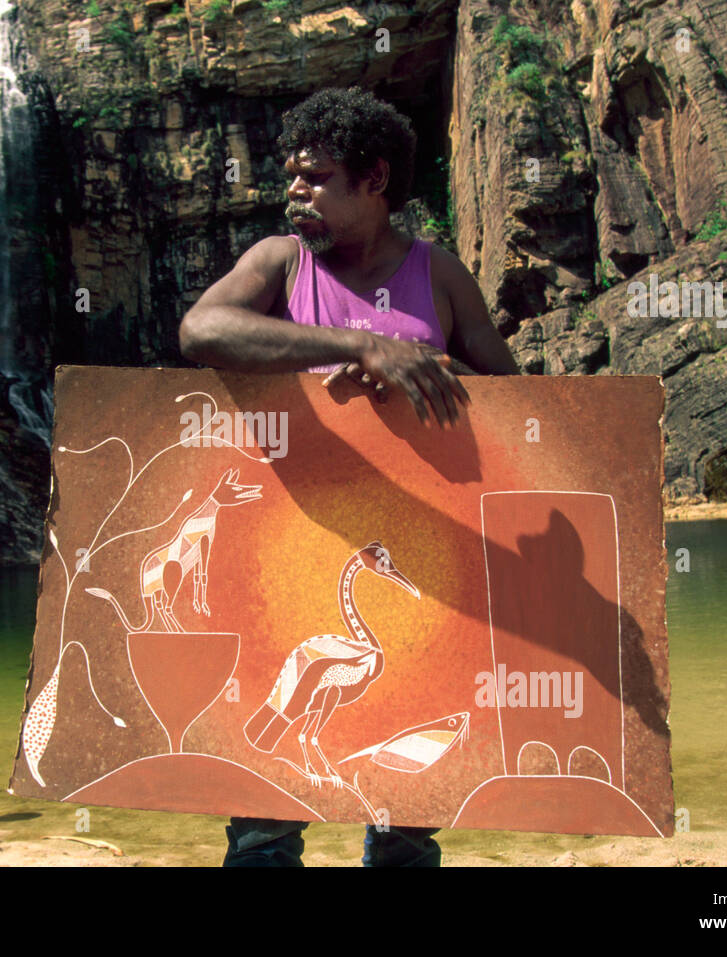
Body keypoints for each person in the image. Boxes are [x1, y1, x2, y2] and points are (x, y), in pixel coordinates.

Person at [178, 87, 521, 866]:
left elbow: (517, 404)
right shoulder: (279, 262)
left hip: (420, 565)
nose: (294, 191)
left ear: (374, 180)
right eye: (290, 176)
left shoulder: (439, 276)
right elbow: (202, 329)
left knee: (406, 805)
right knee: (264, 814)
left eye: (316, 176)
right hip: (288, 552)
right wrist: (359, 347)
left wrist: (430, 377)